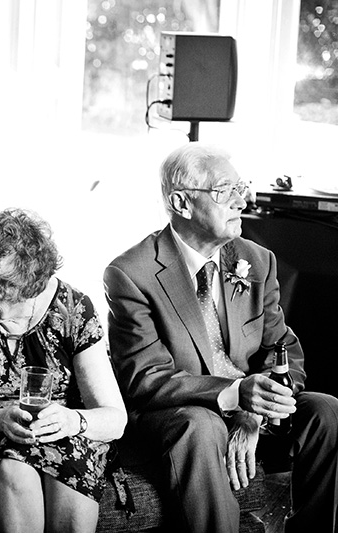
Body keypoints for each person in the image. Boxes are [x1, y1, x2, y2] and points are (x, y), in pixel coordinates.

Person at [103, 142, 338, 533]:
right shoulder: (131, 274)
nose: (242, 201)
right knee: (202, 425)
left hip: (249, 408)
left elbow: (283, 348)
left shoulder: (256, 259)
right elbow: (145, 378)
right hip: (180, 412)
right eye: (225, 191)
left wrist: (257, 409)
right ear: (182, 203)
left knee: (326, 411)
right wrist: (234, 394)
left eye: (240, 188)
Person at [0, 208, 127, 533]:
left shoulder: (73, 310)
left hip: (63, 433)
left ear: (26, 288)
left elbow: (114, 418)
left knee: (71, 467)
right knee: (14, 469)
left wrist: (71, 421)